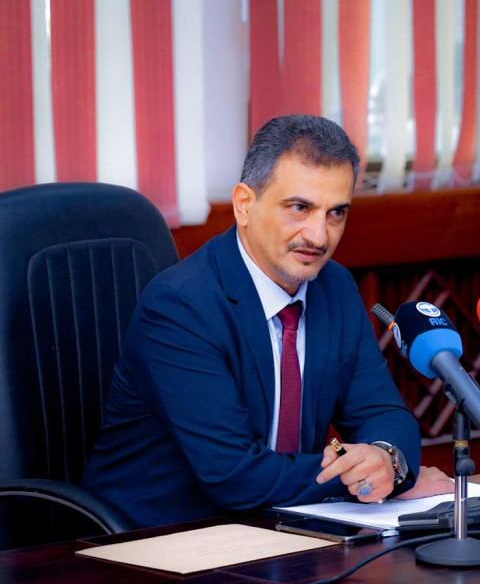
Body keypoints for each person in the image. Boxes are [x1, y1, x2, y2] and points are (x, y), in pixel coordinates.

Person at [82, 115, 453, 528]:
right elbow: (233, 475)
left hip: (283, 526)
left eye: (335, 213)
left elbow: (384, 413)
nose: (319, 236)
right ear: (245, 204)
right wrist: (363, 480)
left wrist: (387, 459)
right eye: (299, 208)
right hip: (159, 536)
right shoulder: (181, 305)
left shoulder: (334, 287)